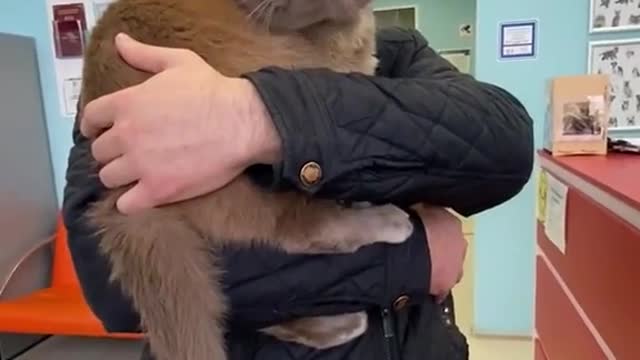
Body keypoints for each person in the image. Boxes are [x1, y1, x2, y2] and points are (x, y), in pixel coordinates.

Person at [62, 2, 534, 359]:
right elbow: (109, 283)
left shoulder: (400, 52)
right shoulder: (149, 40)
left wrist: (259, 115)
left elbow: (506, 145)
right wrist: (413, 260)